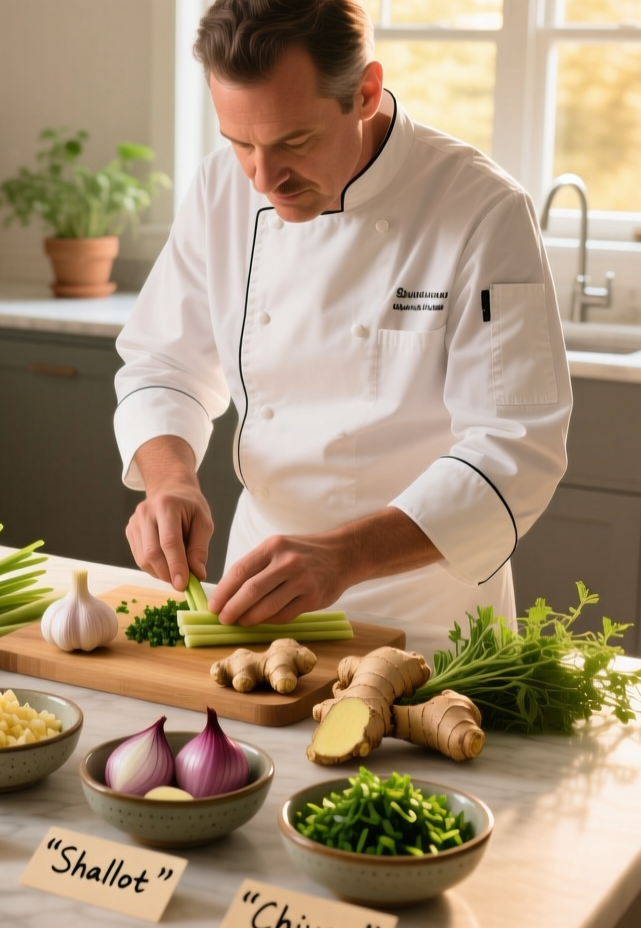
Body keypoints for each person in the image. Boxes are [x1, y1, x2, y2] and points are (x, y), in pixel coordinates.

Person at [114, 0, 571, 629]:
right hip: (256, 591)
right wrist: (171, 480)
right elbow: (162, 363)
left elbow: (516, 449)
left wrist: (346, 556)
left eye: (293, 142)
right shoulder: (222, 187)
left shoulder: (481, 210)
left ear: (364, 92)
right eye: (240, 142)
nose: (264, 178)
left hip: (427, 610)